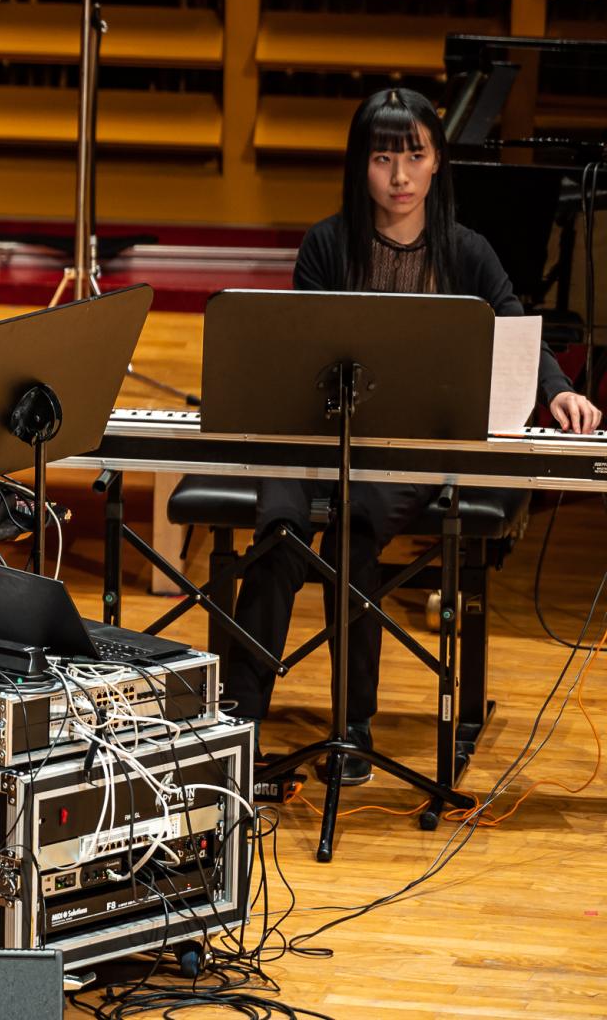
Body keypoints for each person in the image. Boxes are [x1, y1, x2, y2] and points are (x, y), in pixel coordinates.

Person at [223, 88, 602, 783]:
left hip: (414, 442)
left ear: (437, 165)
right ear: (359, 167)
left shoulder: (465, 251)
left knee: (355, 526)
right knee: (278, 528)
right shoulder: (328, 243)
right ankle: (238, 728)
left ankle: (352, 727)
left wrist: (560, 391)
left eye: (414, 158)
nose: (398, 177)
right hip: (315, 435)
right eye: (382, 159)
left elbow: (513, 331)